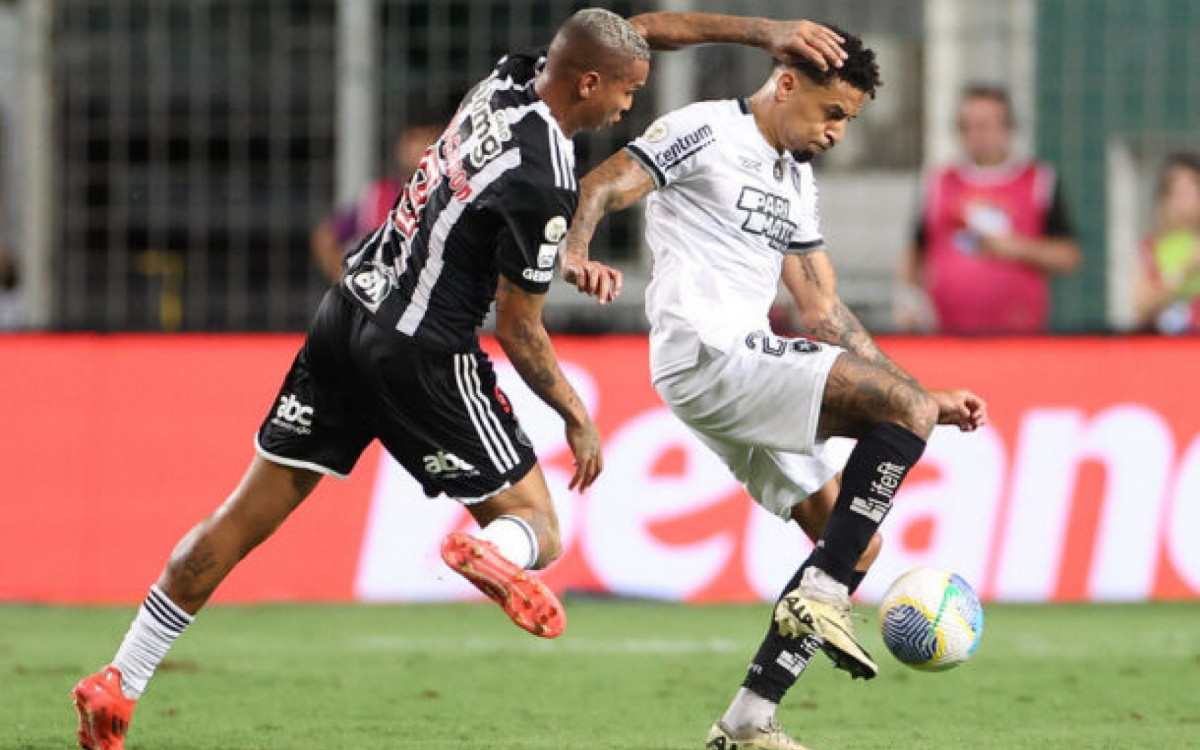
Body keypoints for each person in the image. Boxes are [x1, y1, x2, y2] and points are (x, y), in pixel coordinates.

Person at [70, 9, 853, 750]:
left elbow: (629, 32)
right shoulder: (547, 175)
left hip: (347, 311)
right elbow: (519, 327)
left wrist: (765, 32)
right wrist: (577, 414)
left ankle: (119, 679)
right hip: (423, 351)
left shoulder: (506, 80)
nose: (628, 105)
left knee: (241, 517)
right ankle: (492, 549)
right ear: (588, 83)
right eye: (627, 90)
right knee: (540, 527)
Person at [562, 28, 988, 750]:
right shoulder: (704, 130)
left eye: (847, 120)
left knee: (852, 545)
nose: (835, 132)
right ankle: (821, 599)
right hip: (709, 347)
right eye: (831, 112)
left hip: (737, 363)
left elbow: (823, 311)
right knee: (860, 509)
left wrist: (914, 392)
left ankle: (747, 723)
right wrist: (575, 250)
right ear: (787, 84)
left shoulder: (796, 182)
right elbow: (603, 184)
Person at [894, 84, 1081, 334]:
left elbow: (1068, 255)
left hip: (1019, 333)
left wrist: (1014, 247)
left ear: (1007, 128)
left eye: (984, 125)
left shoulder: (1038, 181)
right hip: (947, 334)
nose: (976, 135)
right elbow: (916, 249)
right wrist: (908, 298)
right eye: (967, 126)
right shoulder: (938, 183)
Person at [310, 122, 445, 283]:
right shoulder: (378, 195)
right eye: (412, 141)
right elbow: (326, 237)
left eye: (426, 140)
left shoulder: (450, 197)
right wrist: (345, 282)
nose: (417, 150)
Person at [1134, 152, 1200, 334]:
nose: (1184, 199)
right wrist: (1182, 271)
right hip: (1167, 343)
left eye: (1191, 189)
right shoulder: (1152, 246)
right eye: (1176, 191)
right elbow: (1141, 307)